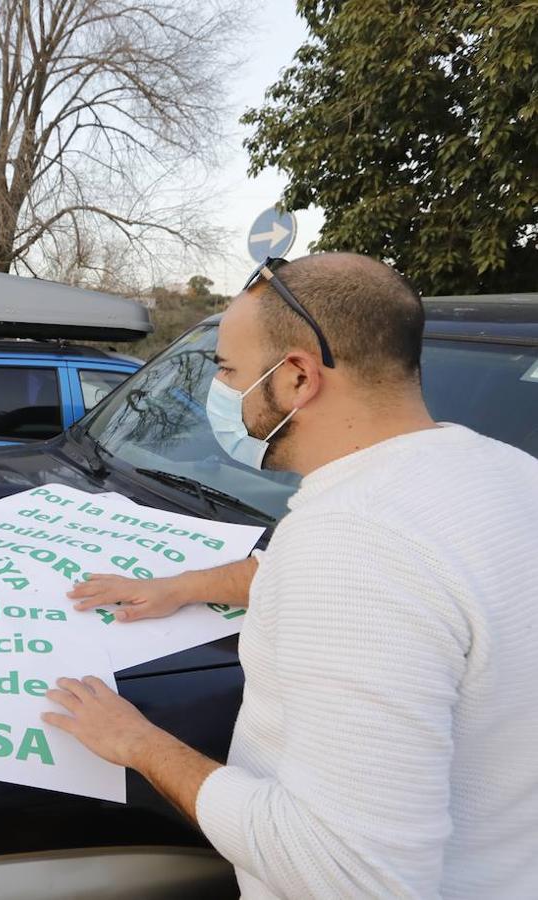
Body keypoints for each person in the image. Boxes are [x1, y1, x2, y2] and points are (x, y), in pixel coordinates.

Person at [44, 253, 538, 898]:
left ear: (298, 376)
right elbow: (405, 579)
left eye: (227, 370)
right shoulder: (500, 471)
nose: (218, 390)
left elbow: (346, 873)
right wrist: (181, 587)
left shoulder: (353, 545)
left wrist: (138, 743)